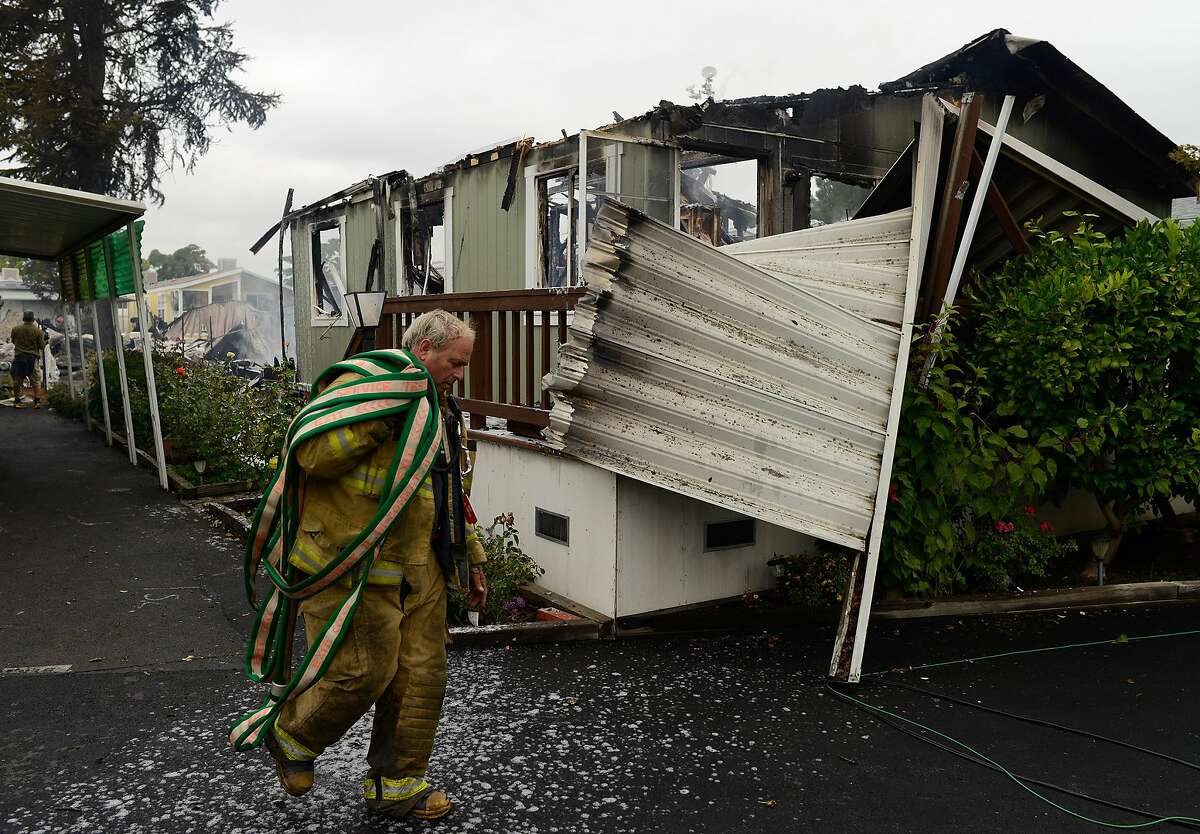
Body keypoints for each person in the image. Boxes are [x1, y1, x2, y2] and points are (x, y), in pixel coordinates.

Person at [263, 309, 488, 821]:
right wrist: (385, 415)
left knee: (420, 678)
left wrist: (473, 560)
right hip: (348, 564)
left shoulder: (443, 411)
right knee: (362, 672)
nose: (459, 374)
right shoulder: (362, 386)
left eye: (464, 365)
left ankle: (397, 784)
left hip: (419, 568)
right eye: (455, 363)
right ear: (425, 350)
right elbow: (313, 455)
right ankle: (293, 737)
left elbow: (451, 493)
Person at [9, 311, 47, 409]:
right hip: (32, 359)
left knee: (17, 380)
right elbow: (42, 346)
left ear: (23, 319)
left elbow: (13, 341)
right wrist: (46, 340)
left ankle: (17, 400)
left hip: (19, 358)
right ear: (33, 319)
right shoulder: (38, 331)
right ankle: (37, 402)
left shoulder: (16, 329)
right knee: (35, 381)